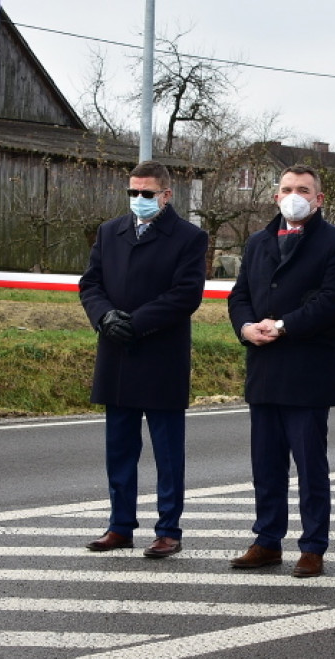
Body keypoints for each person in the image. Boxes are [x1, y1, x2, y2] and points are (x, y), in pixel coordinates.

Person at [227, 164, 335, 578]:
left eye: (303, 189)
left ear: (319, 199)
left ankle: (313, 546)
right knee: (265, 466)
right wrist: (247, 326)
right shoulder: (258, 241)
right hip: (264, 367)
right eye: (286, 188)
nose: (293, 195)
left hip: (308, 371)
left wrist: (284, 325)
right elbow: (240, 295)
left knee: (309, 465)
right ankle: (267, 540)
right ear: (275, 196)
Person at [80, 160, 207, 557]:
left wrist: (135, 323)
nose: (139, 199)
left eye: (146, 194)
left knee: (168, 451)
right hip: (116, 353)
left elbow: (185, 294)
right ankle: (120, 525)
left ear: (166, 196)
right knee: (119, 448)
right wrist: (104, 316)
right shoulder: (110, 231)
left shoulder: (189, 237)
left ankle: (168, 528)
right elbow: (91, 282)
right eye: (133, 192)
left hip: (160, 355)